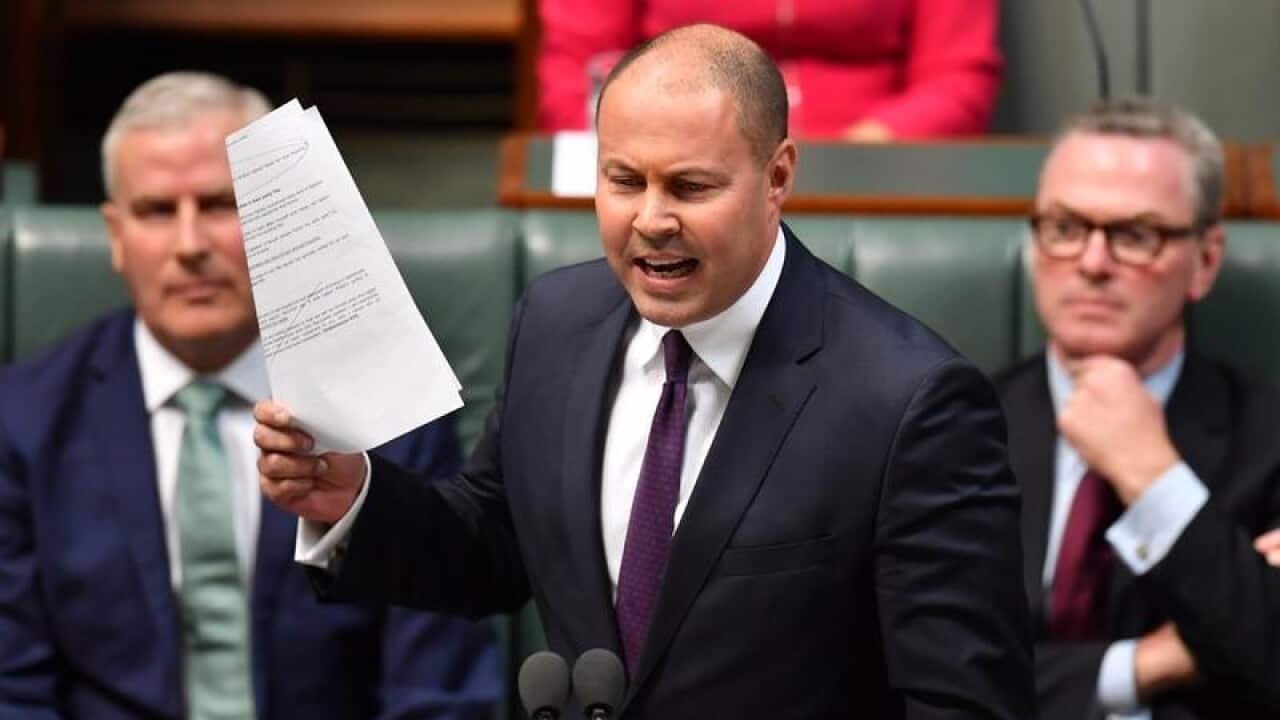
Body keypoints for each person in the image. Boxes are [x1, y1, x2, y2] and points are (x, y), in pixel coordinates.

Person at [257, 25, 1033, 718]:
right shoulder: (556, 323)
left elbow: (964, 702)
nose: (652, 220)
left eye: (691, 187)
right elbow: (493, 543)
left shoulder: (909, 401)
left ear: (777, 177)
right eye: (624, 181)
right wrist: (354, 500)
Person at [0, 71, 500, 719]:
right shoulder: (25, 421)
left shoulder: (390, 415)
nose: (189, 246)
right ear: (116, 236)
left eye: (219, 205)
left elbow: (438, 688)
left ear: (278, 219)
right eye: (157, 211)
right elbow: (12, 690)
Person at [997, 96, 1280, 719]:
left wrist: (1155, 480)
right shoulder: (956, 425)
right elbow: (915, 671)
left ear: (1205, 261)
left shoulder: (1269, 438)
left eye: (1135, 236)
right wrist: (1153, 661)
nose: (1092, 263)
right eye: (1065, 228)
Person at [536, 0, 1003, 140]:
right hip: (677, 172)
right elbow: (578, 70)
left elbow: (957, 76)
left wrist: (861, 153)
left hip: (872, 182)